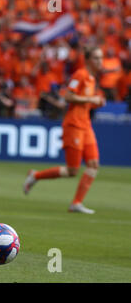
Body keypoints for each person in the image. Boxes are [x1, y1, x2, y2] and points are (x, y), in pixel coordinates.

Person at [23, 46, 106, 214]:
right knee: (72, 170)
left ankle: (76, 203)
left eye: (101, 58)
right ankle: (36, 176)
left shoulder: (92, 78)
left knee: (94, 164)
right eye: (97, 58)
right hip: (74, 125)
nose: (100, 61)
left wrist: (95, 101)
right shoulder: (81, 74)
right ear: (88, 59)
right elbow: (68, 96)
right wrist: (91, 99)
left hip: (86, 125)